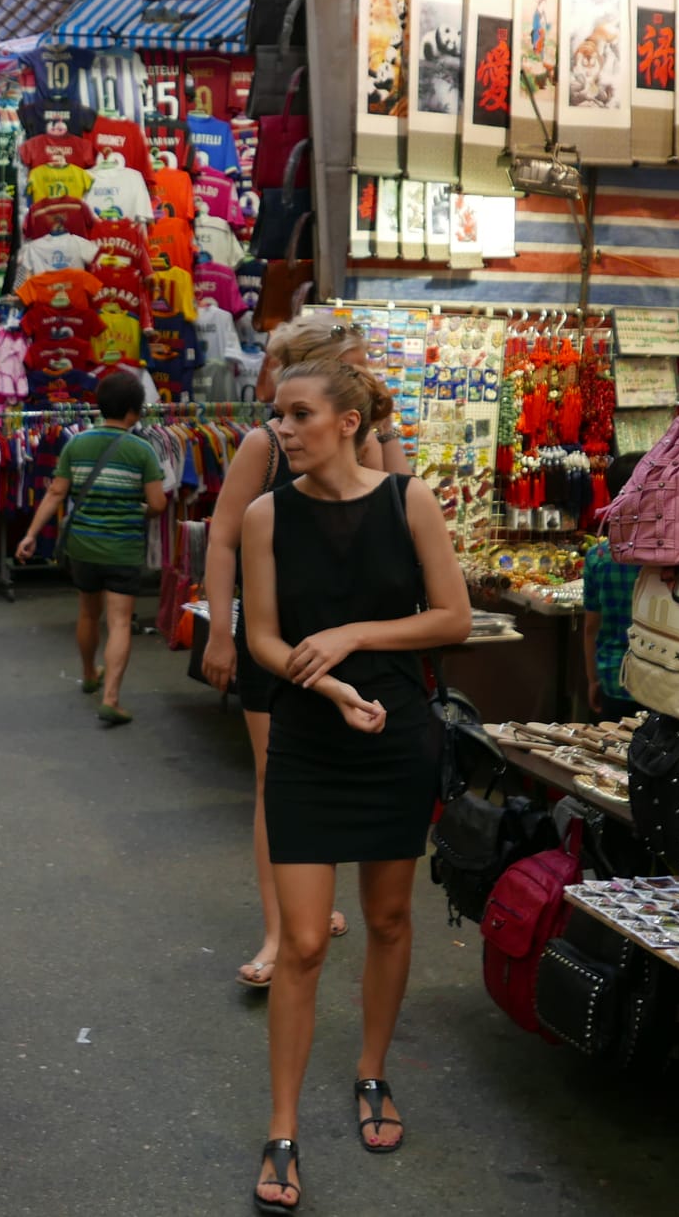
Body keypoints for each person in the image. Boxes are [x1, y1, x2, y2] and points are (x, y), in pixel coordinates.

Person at [241, 359, 471, 1211]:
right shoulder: (268, 515)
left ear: (346, 421)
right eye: (278, 416)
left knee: (387, 917)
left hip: (397, 734)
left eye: (299, 415)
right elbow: (264, 639)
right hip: (307, 737)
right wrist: (327, 680)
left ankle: (371, 1072)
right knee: (301, 943)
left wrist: (349, 638)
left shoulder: (409, 501)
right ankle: (282, 1124)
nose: (284, 430)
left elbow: (451, 617)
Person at [201, 314, 410, 991]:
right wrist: (221, 631)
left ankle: (313, 909)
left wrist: (387, 428)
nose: (368, 369)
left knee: (351, 771)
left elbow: (403, 513)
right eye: (355, 360)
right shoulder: (266, 443)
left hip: (359, 636)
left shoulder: (364, 435)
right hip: (280, 635)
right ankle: (278, 929)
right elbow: (223, 536)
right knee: (277, 784)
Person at [15, 370, 167, 725]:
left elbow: (56, 493)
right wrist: (138, 508)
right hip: (122, 547)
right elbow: (158, 504)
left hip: (82, 545)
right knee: (119, 623)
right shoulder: (141, 450)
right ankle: (111, 698)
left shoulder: (76, 444)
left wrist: (31, 535)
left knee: (87, 614)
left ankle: (88, 674)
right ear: (134, 411)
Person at [582, 452, 646, 720]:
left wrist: (592, 679)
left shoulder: (598, 557)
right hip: (661, 682)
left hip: (612, 678)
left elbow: (590, 628)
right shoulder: (667, 560)